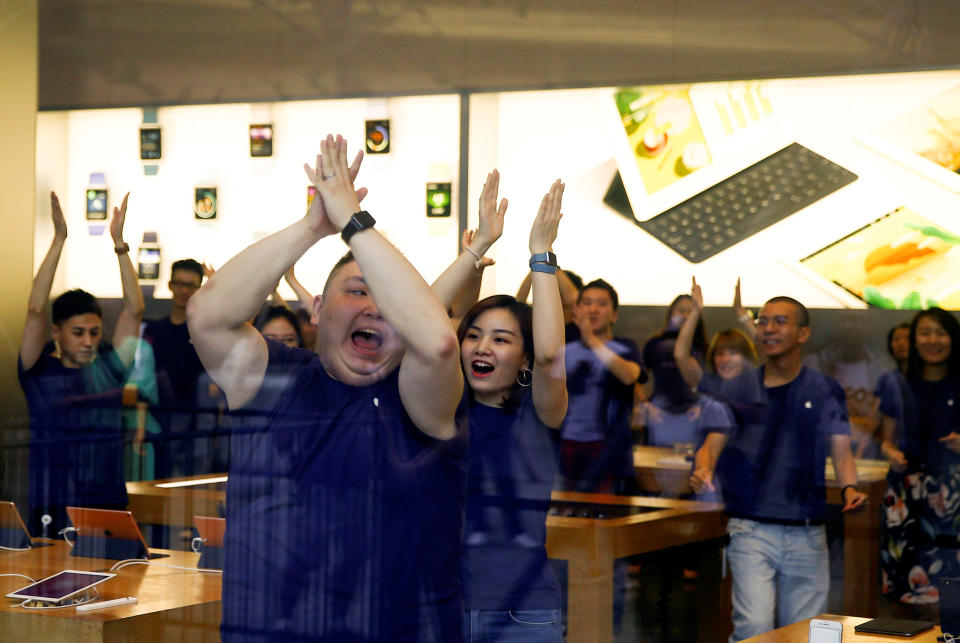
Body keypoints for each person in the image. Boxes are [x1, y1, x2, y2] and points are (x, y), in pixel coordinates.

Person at [187, 135, 466, 641]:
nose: (375, 307)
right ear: (315, 309)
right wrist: (315, 225)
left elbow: (439, 344)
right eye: (357, 291)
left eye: (388, 299)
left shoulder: (421, 397)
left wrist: (353, 223)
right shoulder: (274, 379)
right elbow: (207, 317)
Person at [434, 175, 567, 642]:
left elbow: (552, 355)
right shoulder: (440, 407)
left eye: (501, 338)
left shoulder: (538, 415)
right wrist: (476, 248)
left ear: (524, 358)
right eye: (473, 335)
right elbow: (423, 325)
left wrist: (541, 254)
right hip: (438, 608)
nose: (481, 347)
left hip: (521, 617)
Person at [691, 296, 868, 642]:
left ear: (803, 334)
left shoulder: (824, 389)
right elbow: (710, 445)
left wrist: (849, 488)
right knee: (753, 629)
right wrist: (704, 468)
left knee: (809, 635)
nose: (768, 329)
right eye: (763, 321)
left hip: (808, 530)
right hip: (750, 528)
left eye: (779, 322)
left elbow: (842, 452)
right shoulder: (739, 387)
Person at [18, 191, 143, 536]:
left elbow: (135, 310)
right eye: (78, 333)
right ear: (56, 332)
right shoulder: (38, 369)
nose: (88, 341)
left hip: (105, 501)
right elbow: (35, 310)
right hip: (51, 500)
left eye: (93, 332)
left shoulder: (108, 369)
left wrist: (120, 246)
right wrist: (59, 239)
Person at [879, 308, 960, 607]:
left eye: (941, 332)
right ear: (914, 340)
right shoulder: (897, 382)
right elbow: (886, 441)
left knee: (952, 596)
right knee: (905, 592)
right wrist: (892, 453)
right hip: (906, 492)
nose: (933, 340)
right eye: (925, 333)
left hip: (953, 497)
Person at [143, 258, 224, 479]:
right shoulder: (154, 329)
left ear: (199, 288)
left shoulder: (205, 330)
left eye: (190, 285)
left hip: (199, 419)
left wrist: (215, 288)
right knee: (159, 479)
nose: (184, 290)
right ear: (170, 285)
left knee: (195, 482)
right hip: (158, 417)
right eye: (179, 283)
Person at [559, 279, 642, 494]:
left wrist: (592, 340)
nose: (593, 309)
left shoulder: (625, 348)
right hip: (565, 449)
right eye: (586, 303)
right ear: (577, 310)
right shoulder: (564, 350)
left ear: (614, 314)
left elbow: (629, 376)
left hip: (609, 453)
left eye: (601, 304)